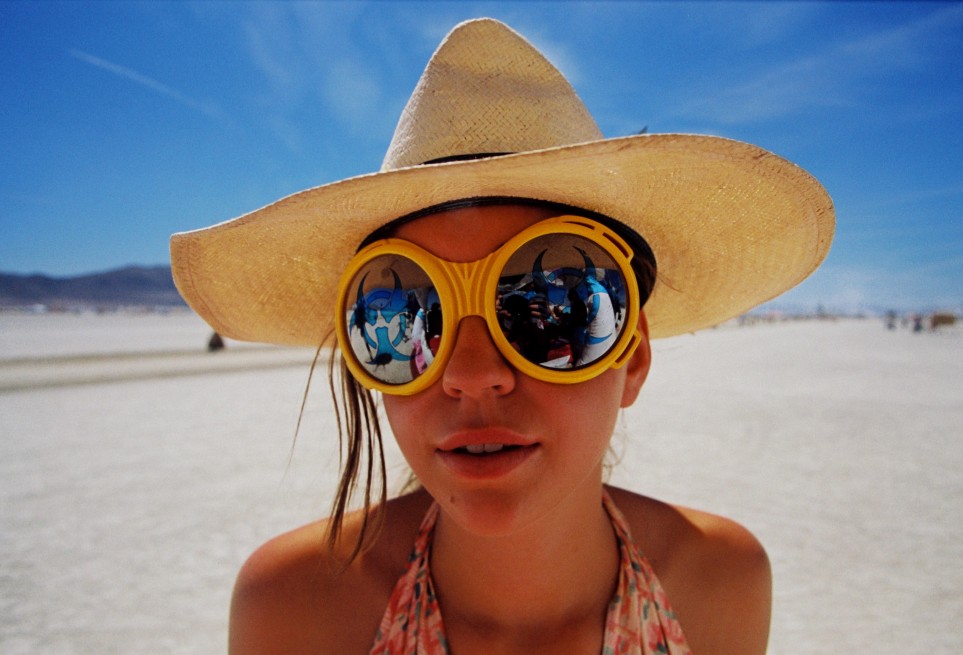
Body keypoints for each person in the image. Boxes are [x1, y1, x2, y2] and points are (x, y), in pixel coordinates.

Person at [170, 18, 834, 655]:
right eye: (410, 313)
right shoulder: (294, 608)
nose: (470, 372)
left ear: (633, 357)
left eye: (549, 307)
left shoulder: (722, 581)